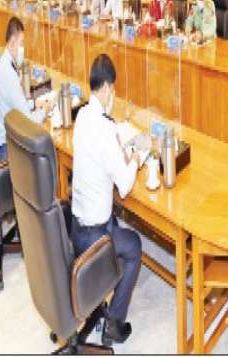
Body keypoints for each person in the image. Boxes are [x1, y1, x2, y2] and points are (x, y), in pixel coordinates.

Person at [70, 54, 142, 346]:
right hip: (94, 236)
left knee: (116, 225)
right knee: (134, 245)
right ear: (108, 88)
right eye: (113, 89)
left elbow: (101, 159)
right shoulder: (104, 127)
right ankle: (114, 323)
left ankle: (106, 286)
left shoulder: (82, 116)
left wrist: (117, 151)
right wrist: (135, 159)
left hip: (76, 226)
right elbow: (124, 186)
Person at [0, 16, 51, 162]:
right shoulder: (8, 72)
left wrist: (34, 104)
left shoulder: (3, 63)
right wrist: (45, 111)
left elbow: (16, 104)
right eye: (21, 43)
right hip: (5, 148)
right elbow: (28, 121)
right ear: (12, 42)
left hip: (3, 139)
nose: (23, 48)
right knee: (45, 153)